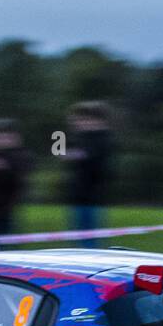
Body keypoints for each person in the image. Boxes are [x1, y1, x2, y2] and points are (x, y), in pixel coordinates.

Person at [65, 101, 114, 247]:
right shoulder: (85, 138)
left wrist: (69, 152)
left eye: (81, 120)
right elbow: (61, 152)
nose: (77, 124)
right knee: (80, 239)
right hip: (80, 197)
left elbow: (86, 155)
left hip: (91, 198)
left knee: (89, 242)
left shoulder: (102, 139)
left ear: (95, 120)